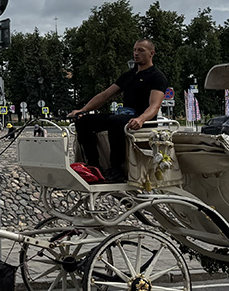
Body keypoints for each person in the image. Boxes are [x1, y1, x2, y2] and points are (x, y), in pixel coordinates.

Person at [71, 39, 168, 183]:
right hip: (125, 117)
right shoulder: (128, 76)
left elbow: (154, 106)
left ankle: (117, 169)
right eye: (135, 50)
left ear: (151, 53)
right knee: (84, 120)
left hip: (143, 120)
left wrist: (140, 119)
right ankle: (93, 166)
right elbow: (104, 96)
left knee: (115, 121)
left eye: (141, 50)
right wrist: (82, 110)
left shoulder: (157, 77)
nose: (136, 53)